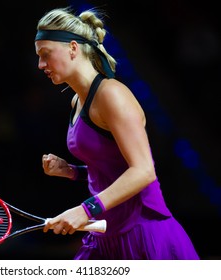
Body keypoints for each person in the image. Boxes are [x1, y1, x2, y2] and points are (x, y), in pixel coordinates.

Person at [34, 6, 200, 260]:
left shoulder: (112, 95)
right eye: (38, 56)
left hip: (143, 234)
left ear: (73, 48)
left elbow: (143, 170)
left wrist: (85, 210)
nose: (40, 64)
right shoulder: (77, 102)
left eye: (46, 54)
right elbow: (112, 168)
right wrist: (70, 171)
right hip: (106, 234)